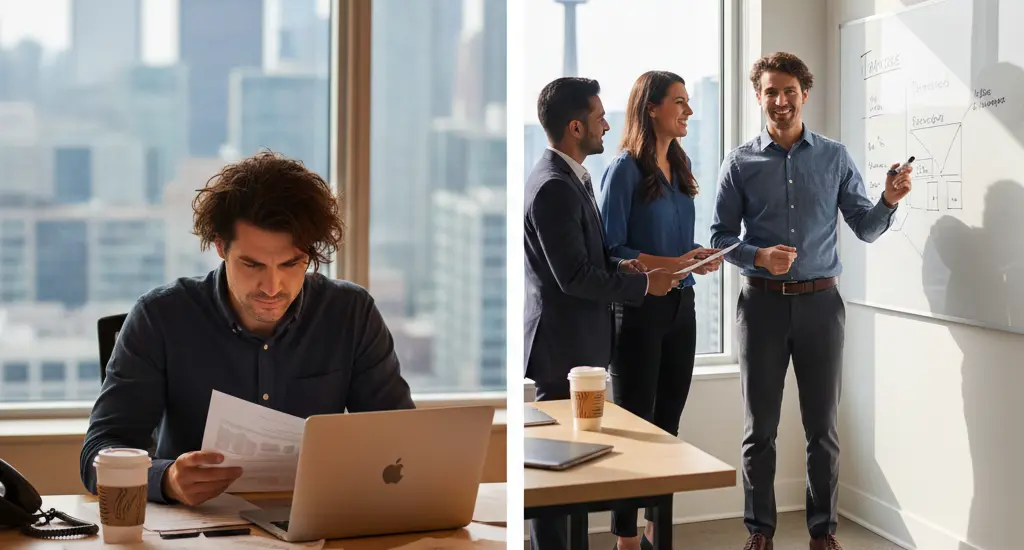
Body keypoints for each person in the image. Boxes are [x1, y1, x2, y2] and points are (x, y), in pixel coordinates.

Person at [80, 151, 415, 507]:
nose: (272, 287)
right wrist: (167, 479)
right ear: (221, 247)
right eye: (252, 264)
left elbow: (400, 443)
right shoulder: (160, 316)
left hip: (319, 525)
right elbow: (97, 457)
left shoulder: (351, 313)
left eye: (291, 263)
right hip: (198, 529)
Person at [710, 52, 912, 550]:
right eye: (770, 92)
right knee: (760, 429)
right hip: (761, 307)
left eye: (789, 91)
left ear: (805, 93)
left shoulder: (835, 158)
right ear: (759, 97)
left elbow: (864, 227)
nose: (780, 101)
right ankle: (760, 533)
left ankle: (823, 533)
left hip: (823, 307)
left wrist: (888, 199)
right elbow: (718, 239)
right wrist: (759, 256)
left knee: (822, 427)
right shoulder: (739, 162)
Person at [524, 77, 685, 550]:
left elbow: (587, 260)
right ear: (576, 127)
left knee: (568, 475)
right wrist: (643, 283)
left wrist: (621, 265)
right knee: (556, 482)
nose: (606, 125)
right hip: (560, 352)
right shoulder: (553, 186)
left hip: (575, 348)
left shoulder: (571, 178)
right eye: (598, 118)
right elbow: (573, 277)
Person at [596, 70, 721, 550]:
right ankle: (626, 540)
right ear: (651, 107)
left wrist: (696, 258)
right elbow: (613, 250)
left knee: (668, 426)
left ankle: (657, 536)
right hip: (639, 311)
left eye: (689, 102)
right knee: (636, 427)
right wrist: (673, 262)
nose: (688, 110)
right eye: (679, 102)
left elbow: (671, 243)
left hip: (680, 306)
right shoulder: (624, 168)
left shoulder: (681, 166)